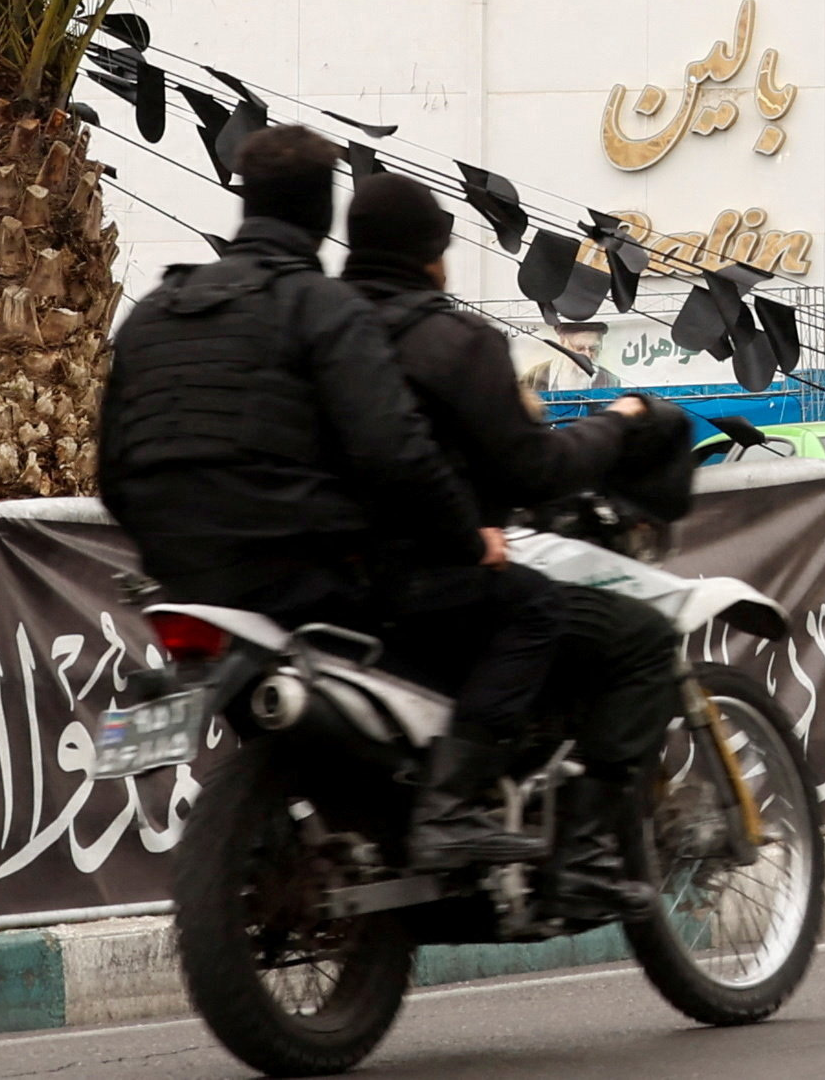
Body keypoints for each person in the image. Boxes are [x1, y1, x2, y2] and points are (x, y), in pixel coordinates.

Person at [91, 126, 506, 866]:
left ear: (244, 198)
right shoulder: (322, 307)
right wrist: (469, 538)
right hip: (300, 575)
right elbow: (394, 453)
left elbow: (113, 470)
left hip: (179, 576)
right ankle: (456, 806)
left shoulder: (156, 309)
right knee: (506, 611)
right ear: (324, 216)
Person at [338, 166, 695, 885]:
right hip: (427, 583)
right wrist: (619, 423)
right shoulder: (453, 341)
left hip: (325, 586)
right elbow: (532, 470)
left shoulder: (317, 329)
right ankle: (590, 850)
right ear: (432, 253)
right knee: (638, 638)